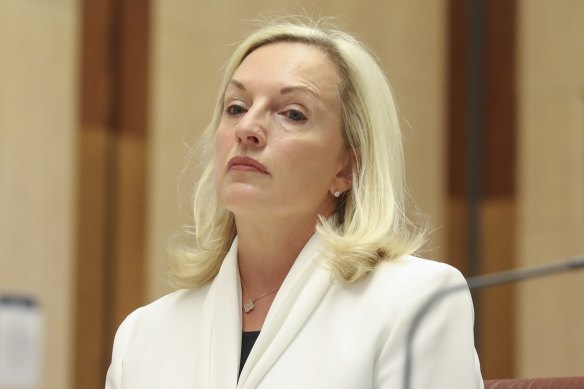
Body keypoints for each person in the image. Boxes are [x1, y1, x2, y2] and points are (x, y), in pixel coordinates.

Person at [105, 18, 484, 389]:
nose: (248, 129)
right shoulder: (142, 337)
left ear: (348, 167)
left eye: (292, 114)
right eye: (236, 107)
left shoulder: (416, 302)